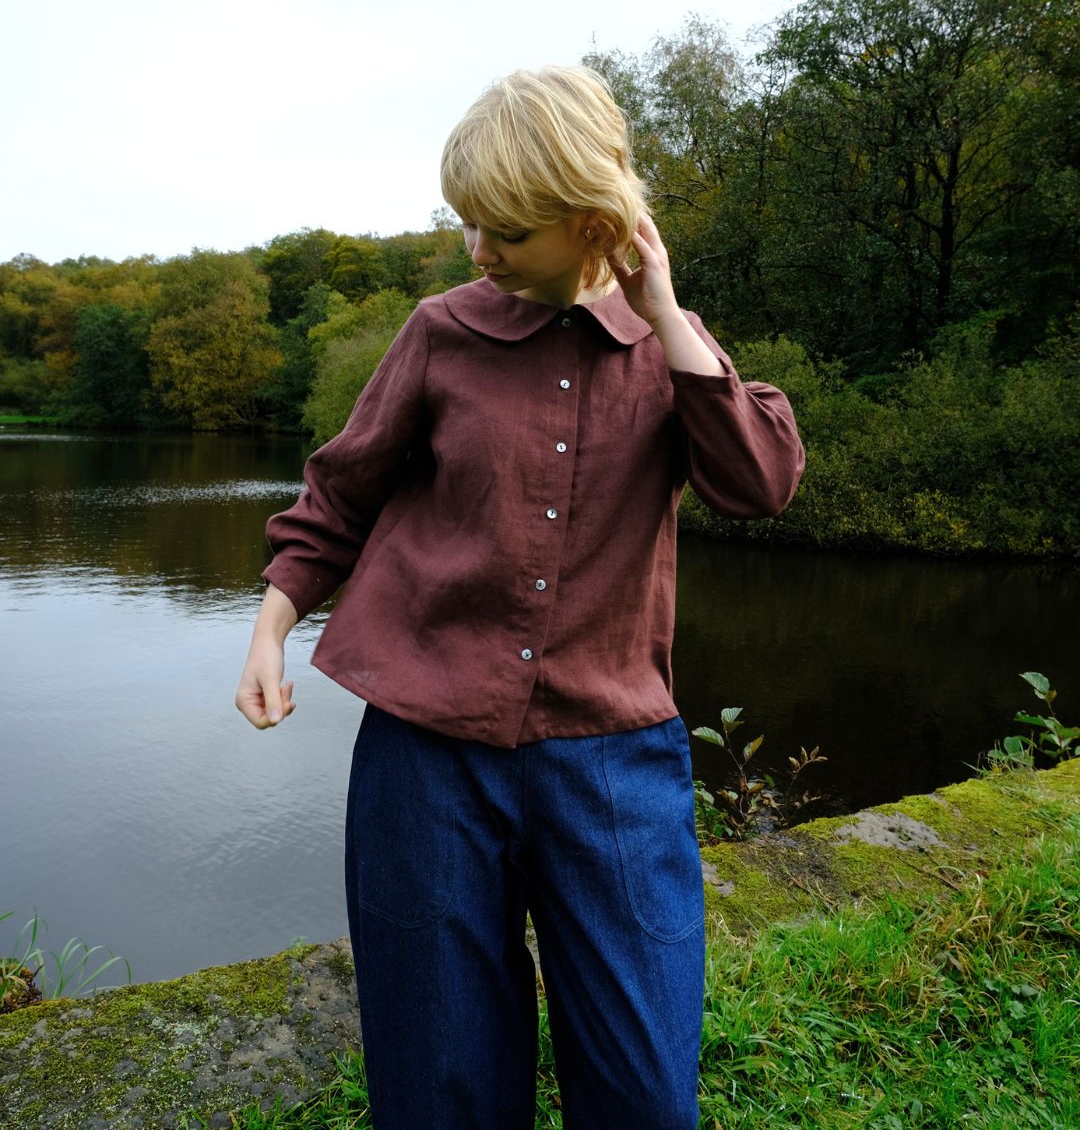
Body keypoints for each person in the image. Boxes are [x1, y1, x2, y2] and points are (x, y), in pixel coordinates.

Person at [235, 65, 804, 1129]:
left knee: (643, 1091)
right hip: (427, 755)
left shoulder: (672, 359)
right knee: (441, 1083)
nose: (478, 251)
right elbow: (339, 492)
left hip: (612, 758)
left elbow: (758, 484)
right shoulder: (439, 332)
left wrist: (666, 313)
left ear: (590, 222)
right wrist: (273, 626)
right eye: (469, 225)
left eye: (503, 230)